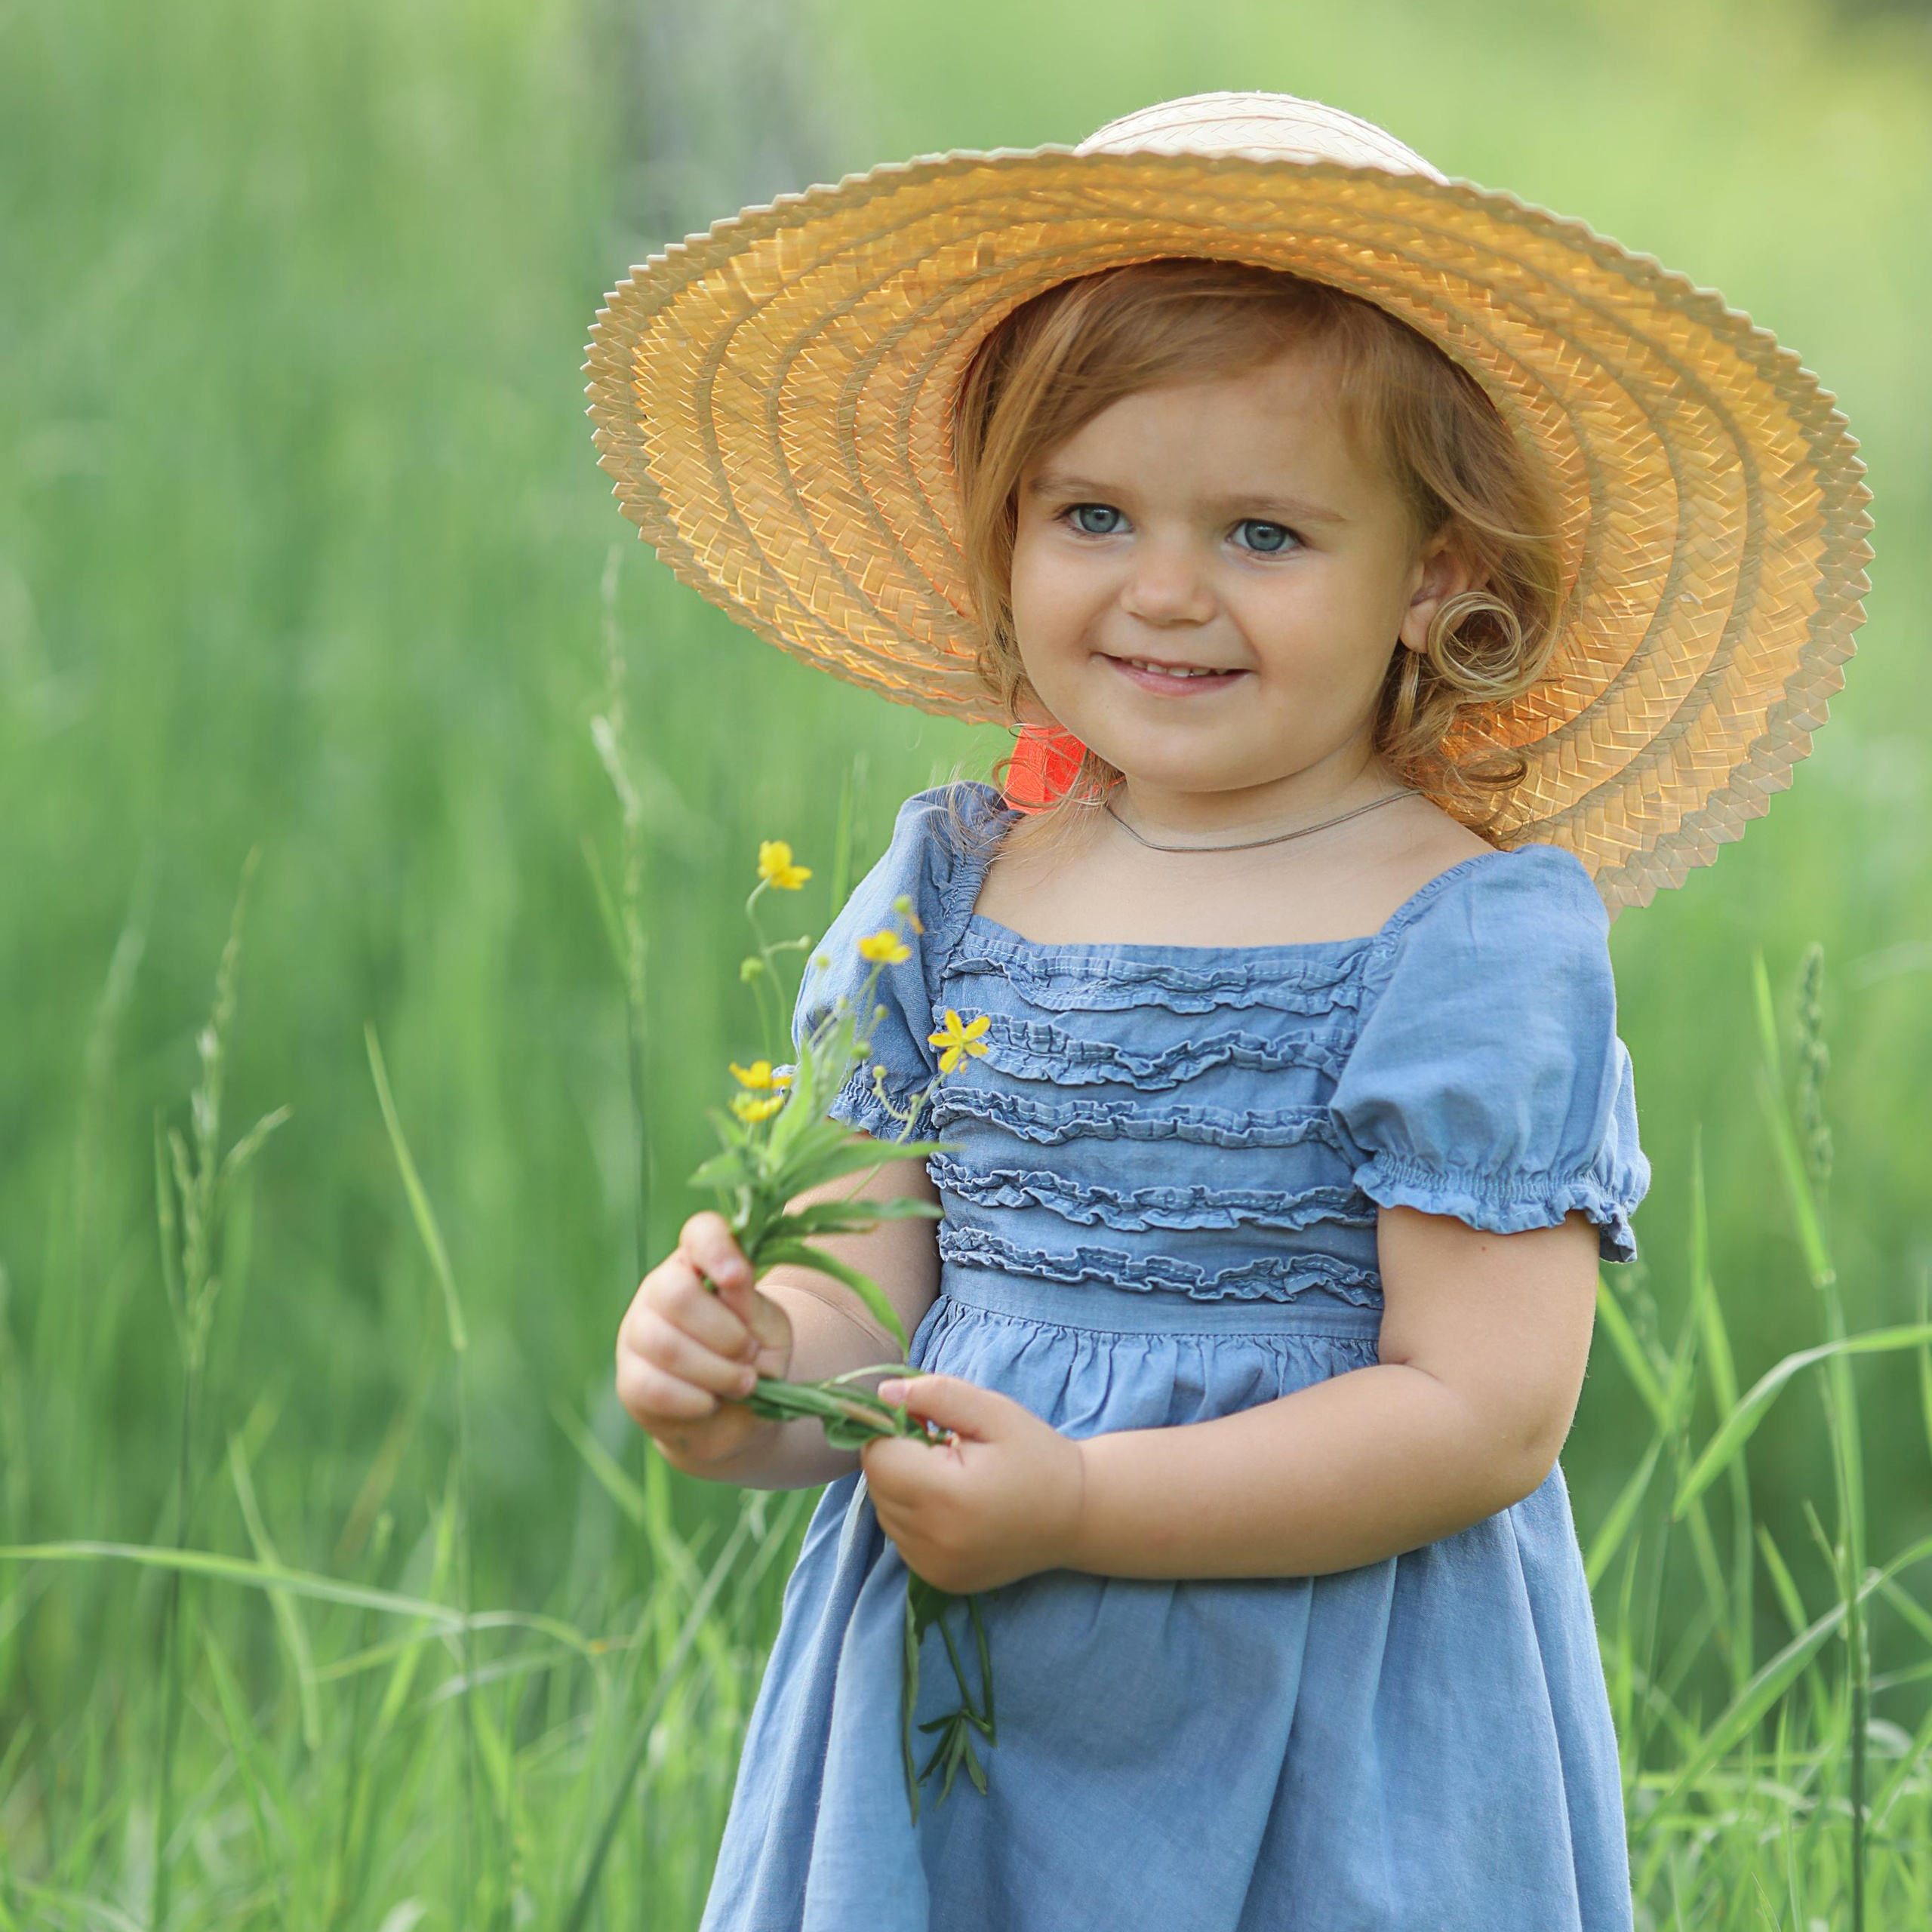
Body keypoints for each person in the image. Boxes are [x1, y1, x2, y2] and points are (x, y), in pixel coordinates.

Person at [591, 93, 1870, 1932]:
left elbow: (1480, 1408)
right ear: (1006, 526)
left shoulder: (1462, 938)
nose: (1165, 589)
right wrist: (738, 1378)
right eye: (1091, 513)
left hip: (1326, 1720)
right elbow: (864, 1319)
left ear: (1433, 573)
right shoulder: (946, 888)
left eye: (1263, 532)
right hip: (965, 1703)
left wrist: (1081, 1503)